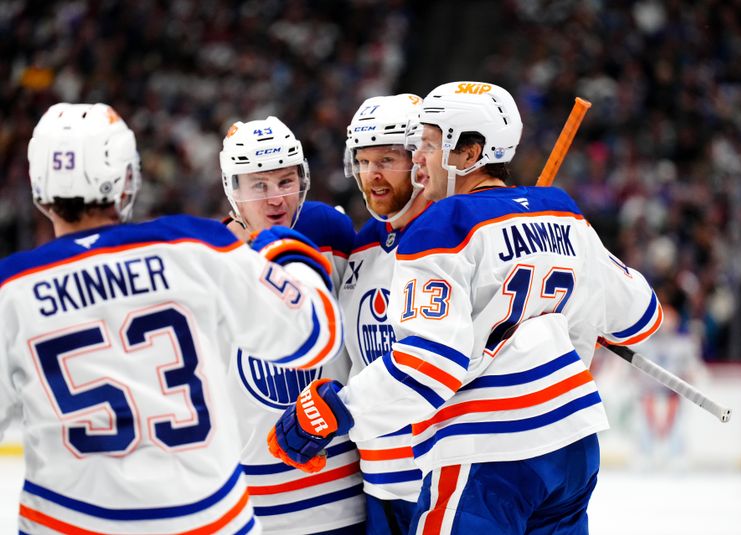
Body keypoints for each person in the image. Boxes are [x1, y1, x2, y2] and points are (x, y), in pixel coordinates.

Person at [270, 81, 664, 534]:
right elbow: (640, 316)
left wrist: (332, 412)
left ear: (470, 152)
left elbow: (432, 363)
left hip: (490, 449)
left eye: (431, 145)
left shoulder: (443, 225)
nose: (418, 158)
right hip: (573, 444)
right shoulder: (563, 213)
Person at [0, 103, 342, 534]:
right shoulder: (195, 248)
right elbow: (315, 335)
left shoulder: (11, 289)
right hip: (203, 517)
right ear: (128, 180)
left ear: (37, 187)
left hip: (67, 521)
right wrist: (289, 254)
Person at [219, 117, 364, 534]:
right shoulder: (209, 259)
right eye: (258, 185)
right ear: (233, 190)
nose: (275, 199)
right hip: (252, 505)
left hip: (341, 491)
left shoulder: (330, 233)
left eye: (286, 181)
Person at [339, 94, 430, 534]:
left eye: (387, 159)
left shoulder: (451, 238)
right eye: (363, 160)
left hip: (439, 480)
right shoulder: (363, 245)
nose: (371, 174)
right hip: (377, 481)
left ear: (420, 160)